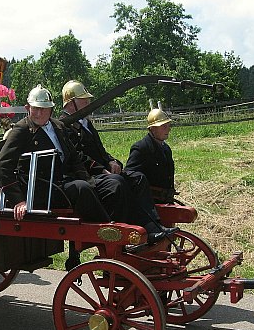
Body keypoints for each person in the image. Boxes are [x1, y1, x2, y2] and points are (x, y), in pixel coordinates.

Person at [61, 81, 176, 267]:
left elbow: (100, 150)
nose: (88, 104)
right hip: (83, 176)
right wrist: (102, 169)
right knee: (116, 183)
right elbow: (77, 157)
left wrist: (112, 161)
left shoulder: (86, 124)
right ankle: (121, 236)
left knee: (137, 178)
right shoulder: (64, 126)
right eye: (84, 101)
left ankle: (150, 227)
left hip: (100, 173)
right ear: (71, 102)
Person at [0, 84, 124, 225]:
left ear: (51, 109)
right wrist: (18, 200)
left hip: (67, 182)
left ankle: (135, 228)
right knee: (82, 188)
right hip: (46, 189)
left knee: (115, 182)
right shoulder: (22, 130)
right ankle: (107, 230)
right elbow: (2, 165)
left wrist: (90, 180)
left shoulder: (58, 126)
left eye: (43, 109)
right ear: (27, 108)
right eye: (35, 109)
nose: (39, 113)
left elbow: (74, 158)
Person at [125, 104, 177, 204]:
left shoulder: (166, 149)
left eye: (168, 125)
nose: (168, 129)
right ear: (152, 128)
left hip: (166, 201)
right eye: (163, 126)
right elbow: (130, 176)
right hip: (148, 204)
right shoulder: (141, 148)